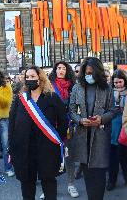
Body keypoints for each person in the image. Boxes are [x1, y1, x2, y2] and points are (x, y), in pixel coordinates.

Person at [9, 66, 68, 200]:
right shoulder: (20, 99)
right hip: (24, 147)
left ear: (40, 78)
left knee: (48, 181)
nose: (29, 79)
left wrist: (57, 138)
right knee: (27, 182)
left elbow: (64, 120)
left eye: (33, 77)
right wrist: (11, 146)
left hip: (47, 147)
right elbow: (12, 123)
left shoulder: (52, 97)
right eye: (27, 77)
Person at [69, 57, 115, 200]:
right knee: (88, 174)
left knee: (99, 174)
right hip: (83, 136)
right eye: (87, 73)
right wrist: (79, 120)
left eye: (92, 73)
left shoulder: (107, 88)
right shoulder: (77, 88)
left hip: (100, 136)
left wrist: (101, 119)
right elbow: (71, 109)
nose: (89, 76)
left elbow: (113, 110)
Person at [49, 62, 79, 198]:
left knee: (69, 156)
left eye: (64, 68)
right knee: (49, 157)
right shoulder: (49, 85)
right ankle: (48, 187)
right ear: (55, 70)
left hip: (67, 125)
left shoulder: (73, 86)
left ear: (68, 71)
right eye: (58, 68)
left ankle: (71, 184)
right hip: (50, 125)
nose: (61, 70)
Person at [107, 69, 127, 191]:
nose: (118, 85)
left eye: (120, 82)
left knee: (124, 155)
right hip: (113, 127)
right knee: (112, 156)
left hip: (125, 126)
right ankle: (112, 180)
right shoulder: (109, 92)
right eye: (115, 83)